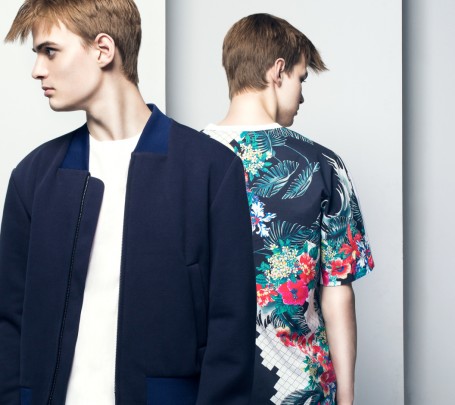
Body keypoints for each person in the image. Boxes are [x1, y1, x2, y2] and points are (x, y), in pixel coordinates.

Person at [0, 1, 256, 404]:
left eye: (50, 51)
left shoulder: (210, 170)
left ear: (103, 50)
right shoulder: (33, 177)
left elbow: (231, 331)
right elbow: (9, 322)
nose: (37, 70)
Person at [204, 13, 375, 405]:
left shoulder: (183, 161)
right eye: (301, 78)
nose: (302, 95)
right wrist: (347, 399)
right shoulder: (322, 165)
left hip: (207, 385)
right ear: (277, 71)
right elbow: (337, 292)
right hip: (301, 389)